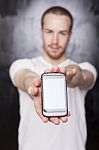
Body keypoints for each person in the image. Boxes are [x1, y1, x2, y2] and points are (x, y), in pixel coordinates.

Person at [9, 6, 97, 150]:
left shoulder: (86, 67)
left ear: (70, 35)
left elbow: (82, 77)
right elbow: (24, 77)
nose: (55, 40)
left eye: (62, 33)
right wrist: (34, 85)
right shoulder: (22, 65)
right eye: (49, 32)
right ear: (41, 32)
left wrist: (69, 76)